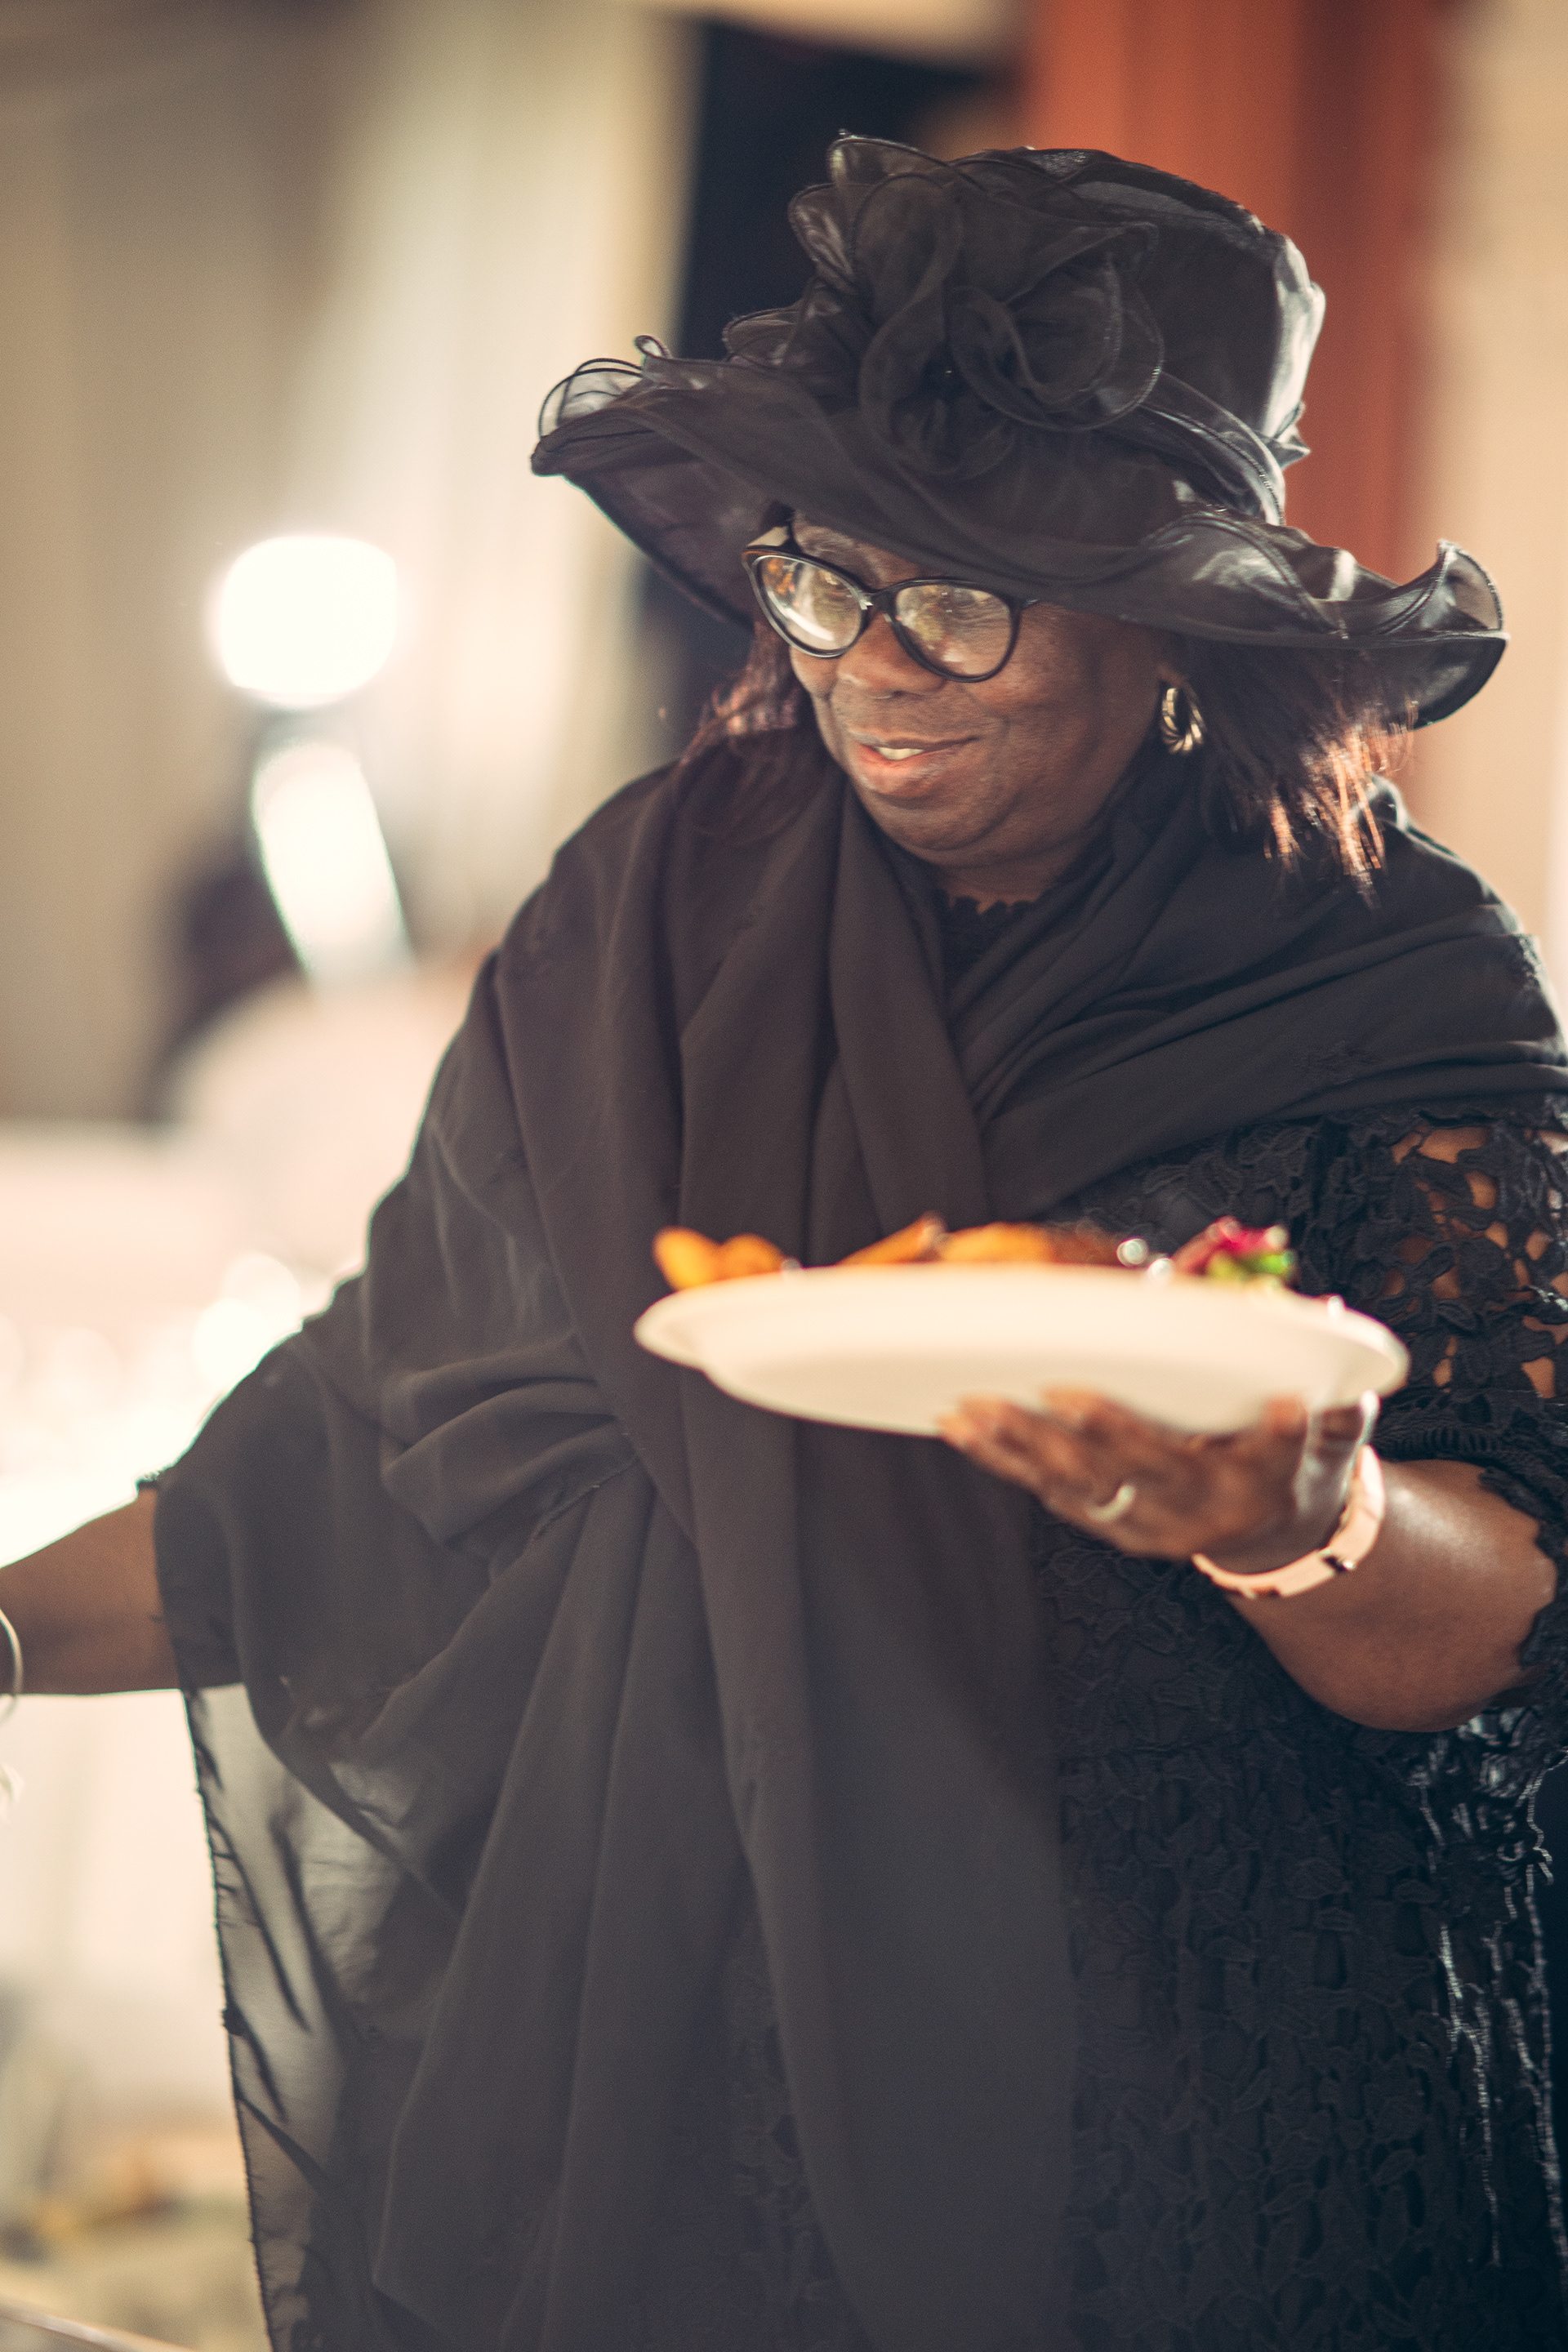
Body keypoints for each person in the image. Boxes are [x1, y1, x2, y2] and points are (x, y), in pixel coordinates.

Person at [7, 139, 1568, 2352]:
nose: (875, 671)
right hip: (675, 2080)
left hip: (1203, 2095)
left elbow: (1512, 1616)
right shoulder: (653, 914)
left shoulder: (1389, 977)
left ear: (1175, 617)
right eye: (827, 586)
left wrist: (1296, 1523)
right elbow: (359, 1449)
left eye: (965, 604)